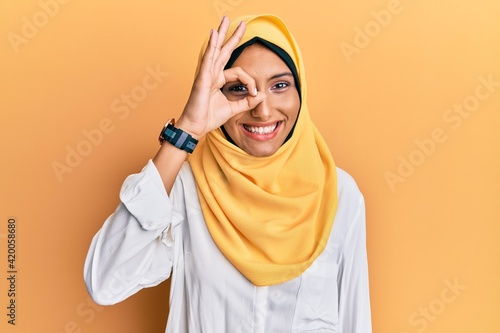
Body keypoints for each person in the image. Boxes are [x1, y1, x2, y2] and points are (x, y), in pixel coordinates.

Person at [84, 14, 372, 332]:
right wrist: (187, 130)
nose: (262, 109)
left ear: (300, 93)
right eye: (238, 88)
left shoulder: (339, 194)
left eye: (280, 85)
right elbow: (104, 282)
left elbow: (355, 321)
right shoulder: (185, 189)